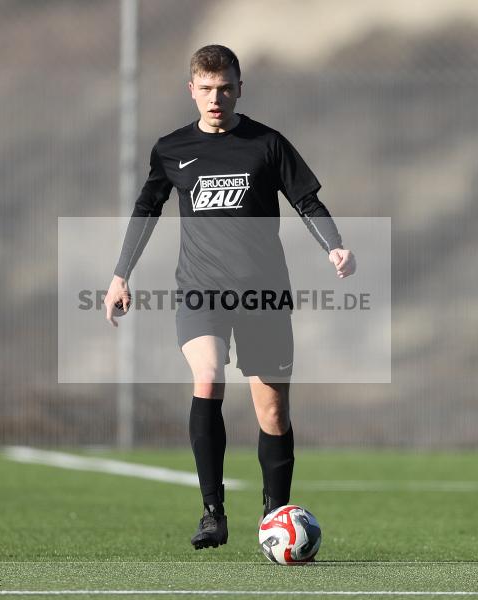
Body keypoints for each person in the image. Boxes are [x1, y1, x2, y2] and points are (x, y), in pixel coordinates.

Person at [104, 44, 355, 550]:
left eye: (225, 88)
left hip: (263, 291)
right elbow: (146, 208)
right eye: (206, 89)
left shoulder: (267, 144)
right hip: (200, 290)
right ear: (191, 90)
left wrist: (335, 245)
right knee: (207, 376)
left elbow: (306, 199)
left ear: (240, 88)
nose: (215, 98)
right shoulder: (171, 150)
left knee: (273, 414)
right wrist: (120, 275)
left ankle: (274, 516)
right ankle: (212, 513)